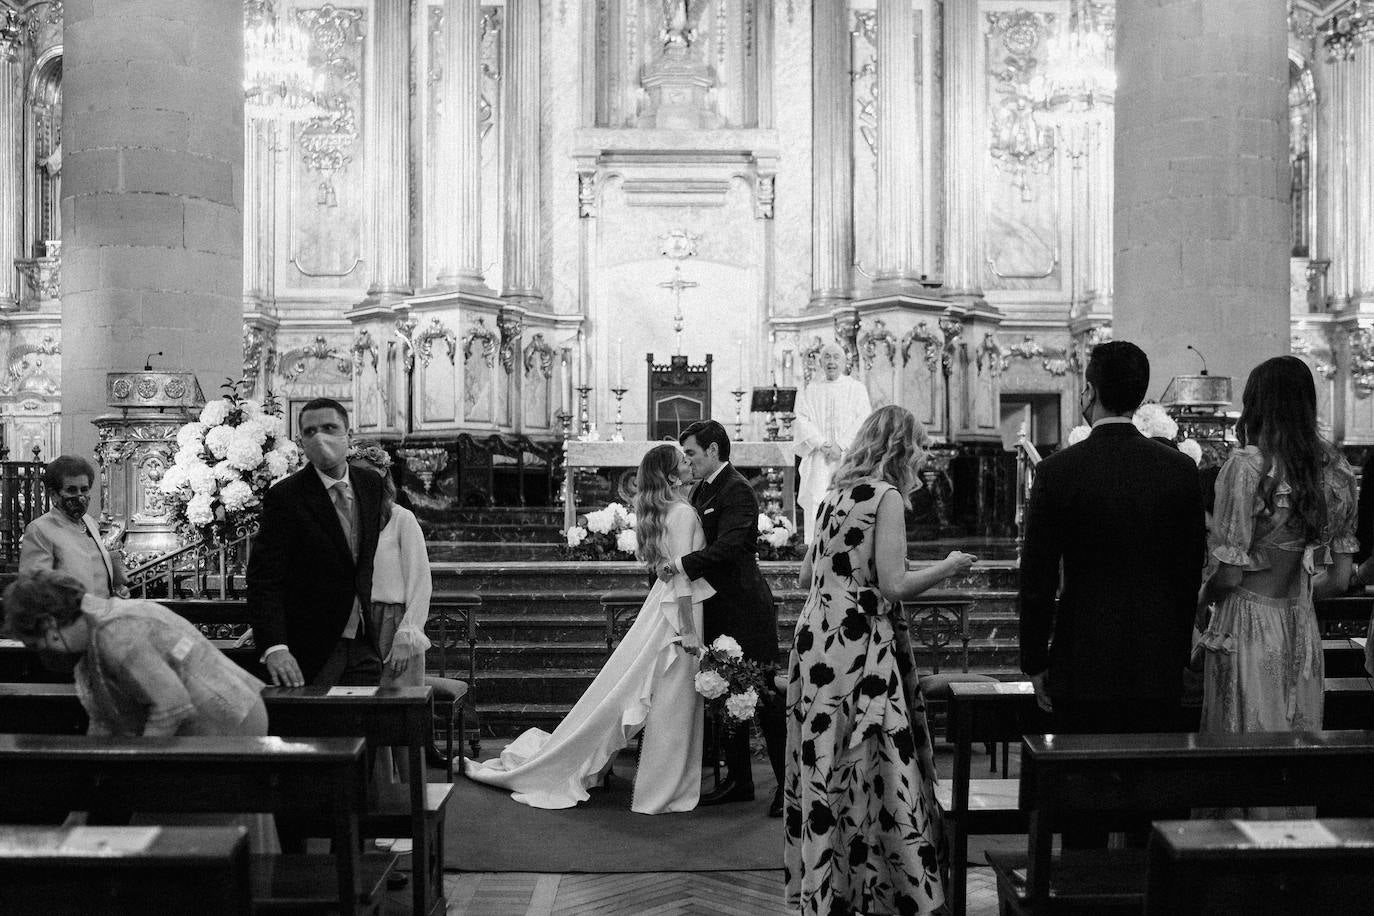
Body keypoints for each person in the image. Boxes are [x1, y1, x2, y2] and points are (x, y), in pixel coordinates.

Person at [785, 404, 974, 916]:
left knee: (829, 757)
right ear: (900, 449)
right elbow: (893, 586)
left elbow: (806, 578)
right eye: (916, 451)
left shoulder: (834, 494)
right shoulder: (884, 496)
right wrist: (948, 567)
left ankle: (832, 886)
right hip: (860, 639)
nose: (919, 462)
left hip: (816, 636)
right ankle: (882, 887)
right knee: (873, 760)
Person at [1019, 341, 1205, 843]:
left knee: (1083, 807)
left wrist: (1035, 661)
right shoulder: (1178, 470)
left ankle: (1083, 891)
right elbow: (1190, 572)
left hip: (1083, 659)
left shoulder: (1058, 471)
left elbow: (1036, 579)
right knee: (1151, 802)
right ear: (1140, 396)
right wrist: (1179, 650)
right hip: (1156, 658)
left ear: (1091, 391)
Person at [468, 443, 710, 813]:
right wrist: (689, 630)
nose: (690, 463)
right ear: (670, 475)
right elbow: (680, 577)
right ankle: (662, 790)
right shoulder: (682, 514)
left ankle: (661, 783)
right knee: (671, 701)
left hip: (666, 609)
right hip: (678, 613)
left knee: (646, 694)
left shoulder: (668, 511)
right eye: (683, 461)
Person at [1198, 355, 1358, 736]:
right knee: (1295, 745)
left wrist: (1203, 597)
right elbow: (1338, 580)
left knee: (1244, 745)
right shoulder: (1336, 469)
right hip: (1301, 624)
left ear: (1258, 405)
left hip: (1247, 624)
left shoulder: (1249, 466)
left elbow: (1229, 573)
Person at [658, 419, 785, 817]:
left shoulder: (738, 490)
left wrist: (679, 563)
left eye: (692, 453)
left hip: (745, 607)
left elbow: (729, 547)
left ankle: (789, 786)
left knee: (763, 696)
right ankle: (739, 781)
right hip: (716, 605)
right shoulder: (701, 488)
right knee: (726, 691)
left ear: (713, 450)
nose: (688, 461)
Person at [3, 568, 267, 737]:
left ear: (49, 625)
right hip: (220, 713)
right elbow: (104, 722)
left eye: (37, 644)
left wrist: (137, 765)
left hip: (226, 720)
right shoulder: (97, 623)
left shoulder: (116, 634)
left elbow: (173, 706)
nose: (44, 653)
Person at [247, 398, 385, 688]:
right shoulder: (286, 497)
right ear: (301, 442)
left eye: (329, 427)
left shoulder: (370, 484)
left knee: (367, 726)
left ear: (348, 433)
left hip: (362, 642)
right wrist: (275, 647)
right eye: (310, 432)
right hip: (312, 646)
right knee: (318, 731)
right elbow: (264, 580)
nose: (320, 437)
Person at [793, 342, 872, 544]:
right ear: (820, 361)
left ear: (845, 362)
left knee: (848, 500)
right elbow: (801, 419)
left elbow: (863, 419)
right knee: (817, 500)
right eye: (827, 357)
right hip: (819, 457)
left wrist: (841, 445)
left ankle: (848, 546)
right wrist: (823, 444)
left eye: (836, 357)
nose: (831, 362)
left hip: (849, 457)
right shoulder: (811, 389)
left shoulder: (856, 388)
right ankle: (815, 549)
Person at [19, 455, 127, 598]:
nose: (80, 496)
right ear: (54, 495)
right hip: (68, 617)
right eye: (71, 490)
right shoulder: (39, 530)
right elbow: (34, 589)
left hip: (102, 613)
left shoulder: (90, 523)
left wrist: (115, 591)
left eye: (84, 489)